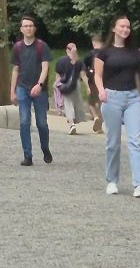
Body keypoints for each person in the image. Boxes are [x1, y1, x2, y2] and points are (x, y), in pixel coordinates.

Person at [95, 16, 140, 198]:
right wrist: (101, 91)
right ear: (114, 28)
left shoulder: (135, 53)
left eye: (128, 27)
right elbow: (98, 75)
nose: (125, 29)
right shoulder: (104, 52)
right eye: (122, 26)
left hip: (132, 98)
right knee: (113, 142)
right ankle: (112, 181)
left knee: (136, 140)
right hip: (111, 97)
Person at [10, 16, 53, 167]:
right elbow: (15, 70)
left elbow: (45, 67)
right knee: (24, 122)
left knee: (42, 123)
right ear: (21, 29)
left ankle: (45, 148)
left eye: (31, 26)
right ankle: (27, 155)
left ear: (34, 28)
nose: (28, 28)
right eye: (25, 26)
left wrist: (39, 85)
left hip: (39, 89)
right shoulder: (17, 48)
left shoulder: (42, 46)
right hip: (22, 88)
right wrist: (12, 91)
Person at [54, 41, 86, 134]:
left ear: (66, 50)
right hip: (76, 84)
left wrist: (56, 84)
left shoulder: (61, 60)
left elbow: (58, 75)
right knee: (77, 103)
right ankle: (74, 121)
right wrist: (88, 86)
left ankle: (72, 123)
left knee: (68, 104)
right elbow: (83, 75)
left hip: (65, 84)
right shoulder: (79, 61)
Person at [84, 35, 105, 135]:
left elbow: (84, 69)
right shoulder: (106, 54)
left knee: (91, 103)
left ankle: (95, 116)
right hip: (105, 82)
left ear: (93, 43)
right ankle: (100, 126)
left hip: (92, 81)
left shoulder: (90, 54)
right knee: (102, 104)